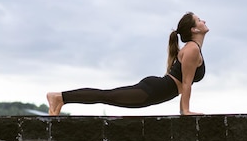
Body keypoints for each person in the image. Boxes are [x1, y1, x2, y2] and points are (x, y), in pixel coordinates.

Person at [46, 12, 209, 116]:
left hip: (155, 90)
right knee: (106, 96)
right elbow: (186, 83)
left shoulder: (193, 49)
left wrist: (184, 111)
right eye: (199, 20)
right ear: (194, 30)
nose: (204, 20)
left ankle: (61, 99)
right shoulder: (192, 49)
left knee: (107, 96)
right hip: (152, 91)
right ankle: (59, 97)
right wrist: (185, 111)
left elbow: (185, 83)